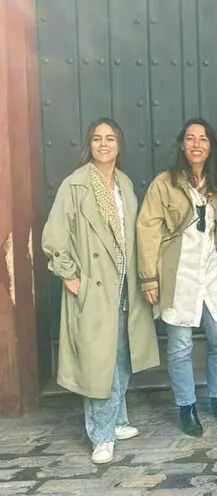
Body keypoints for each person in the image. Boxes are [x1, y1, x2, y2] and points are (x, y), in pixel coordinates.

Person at [41, 117, 160, 464]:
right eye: (97, 139)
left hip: (123, 284)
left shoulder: (123, 183)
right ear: (89, 145)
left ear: (119, 145)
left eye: (110, 139)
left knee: (122, 354)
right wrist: (68, 274)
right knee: (97, 362)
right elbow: (54, 235)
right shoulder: (74, 185)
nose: (103, 144)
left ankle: (118, 419)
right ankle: (101, 435)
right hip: (93, 285)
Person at [137, 118, 217, 437]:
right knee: (179, 345)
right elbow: (147, 229)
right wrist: (149, 278)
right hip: (178, 273)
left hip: (210, 270)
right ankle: (187, 407)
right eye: (190, 138)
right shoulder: (165, 183)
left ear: (210, 145)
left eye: (202, 139)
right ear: (182, 144)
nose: (196, 144)